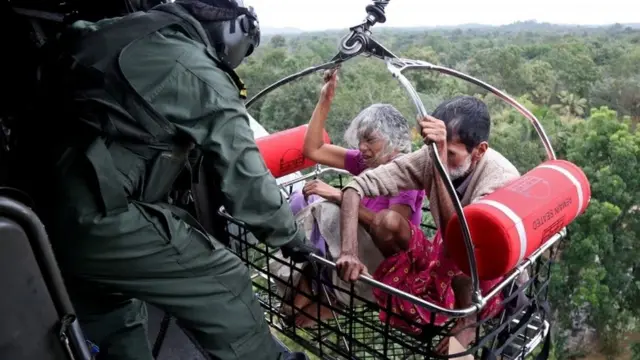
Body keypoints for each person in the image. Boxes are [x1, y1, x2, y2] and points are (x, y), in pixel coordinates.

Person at [34, 1, 312, 359]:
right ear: (235, 29)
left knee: (115, 315)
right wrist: (290, 237)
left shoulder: (116, 30)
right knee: (224, 283)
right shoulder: (196, 69)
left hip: (44, 205)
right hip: (99, 216)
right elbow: (246, 174)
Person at [338, 96, 520, 350]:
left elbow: (465, 245)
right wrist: (349, 251)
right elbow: (355, 186)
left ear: (478, 151)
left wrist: (439, 167)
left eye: (452, 155)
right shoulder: (431, 156)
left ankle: (467, 320)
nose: (441, 158)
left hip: (484, 270)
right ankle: (419, 301)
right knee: (385, 222)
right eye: (435, 151)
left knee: (457, 347)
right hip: (446, 250)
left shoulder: (500, 178)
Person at [280, 68, 425, 327]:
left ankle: (323, 291)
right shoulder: (367, 163)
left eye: (370, 140)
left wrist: (339, 196)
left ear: (392, 140)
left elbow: (388, 228)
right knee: (301, 199)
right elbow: (313, 148)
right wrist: (325, 100)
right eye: (360, 140)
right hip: (346, 249)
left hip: (379, 260)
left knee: (326, 208)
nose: (362, 147)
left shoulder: (406, 174)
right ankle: (315, 285)